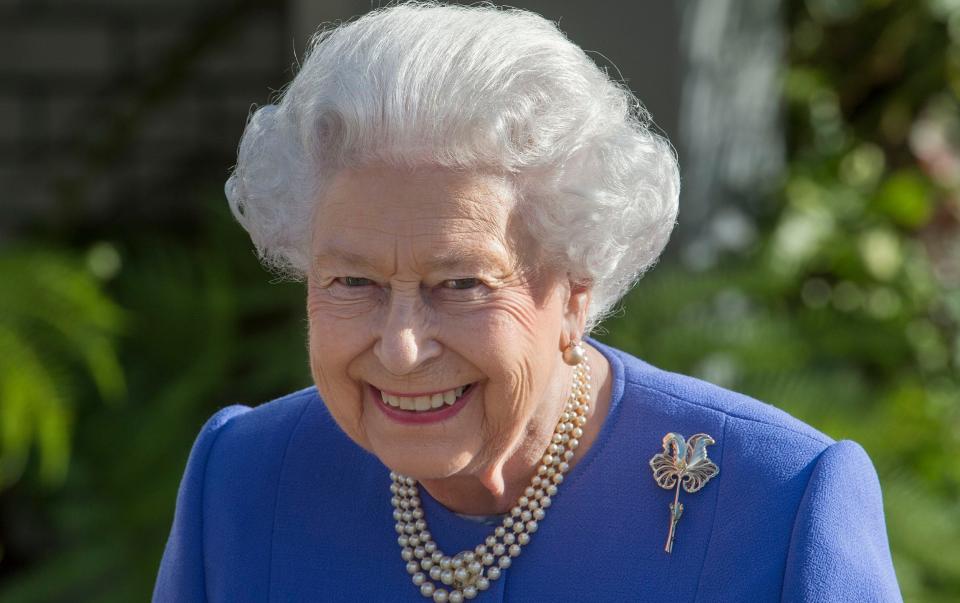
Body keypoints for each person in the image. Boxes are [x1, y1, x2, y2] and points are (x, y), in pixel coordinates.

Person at [153, 3, 902, 601]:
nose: (402, 346)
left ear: (577, 288)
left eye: (462, 284)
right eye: (354, 283)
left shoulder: (779, 502)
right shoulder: (246, 478)